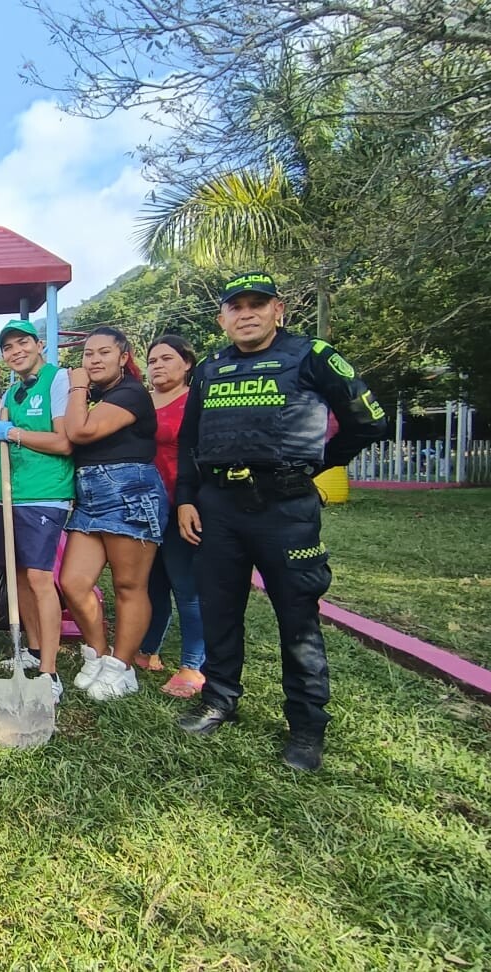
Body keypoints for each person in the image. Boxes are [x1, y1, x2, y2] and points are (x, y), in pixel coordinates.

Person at [175, 271, 388, 771]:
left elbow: (368, 421)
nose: (246, 313)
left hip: (286, 508)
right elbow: (189, 440)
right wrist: (186, 497)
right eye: (236, 306)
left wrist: (316, 463)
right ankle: (220, 699)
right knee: (220, 609)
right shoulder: (210, 367)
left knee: (297, 617)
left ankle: (307, 727)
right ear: (222, 317)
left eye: (257, 304)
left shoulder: (312, 355)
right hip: (219, 507)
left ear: (278, 310)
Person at [59, 327, 168, 703]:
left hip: (129, 491)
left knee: (128, 586)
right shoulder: (100, 395)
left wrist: (76, 387)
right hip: (90, 495)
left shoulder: (131, 393)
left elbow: (80, 431)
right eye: (88, 354)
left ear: (124, 357)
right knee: (72, 582)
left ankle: (122, 667)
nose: (94, 360)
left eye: (104, 352)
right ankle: (100, 653)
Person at [0, 320, 73, 704]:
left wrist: (15, 433)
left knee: (40, 578)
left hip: (44, 493)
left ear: (38, 344)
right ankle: (35, 650)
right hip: (11, 493)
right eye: (8, 347)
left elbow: (64, 441)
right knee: (20, 576)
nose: (16, 351)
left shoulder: (58, 380)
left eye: (22, 342)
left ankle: (50, 672)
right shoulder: (10, 390)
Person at [134, 336, 207, 697]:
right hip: (146, 505)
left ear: (187, 363)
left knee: (186, 585)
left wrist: (186, 502)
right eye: (152, 360)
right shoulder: (143, 401)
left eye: (167, 358)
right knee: (153, 583)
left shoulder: (196, 401)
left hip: (184, 502)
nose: (158, 365)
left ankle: (193, 665)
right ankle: (148, 651)